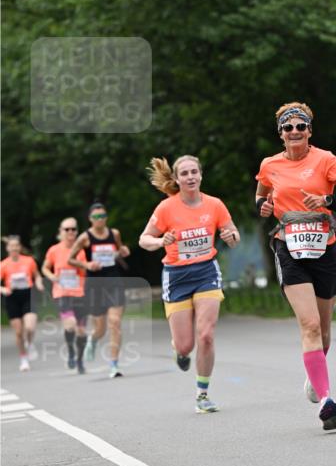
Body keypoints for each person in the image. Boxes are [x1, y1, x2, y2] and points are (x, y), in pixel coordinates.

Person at [255, 101, 336, 431]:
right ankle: (328, 401)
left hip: (325, 249)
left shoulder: (326, 159)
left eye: (301, 126)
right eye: (289, 128)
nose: (295, 132)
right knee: (310, 326)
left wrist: (327, 201)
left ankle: (314, 376)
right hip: (289, 247)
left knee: (324, 333)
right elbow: (260, 196)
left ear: (309, 131)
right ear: (281, 134)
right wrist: (264, 206)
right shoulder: (270, 165)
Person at [139, 155, 240, 414]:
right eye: (184, 173)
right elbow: (144, 240)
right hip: (176, 276)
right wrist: (161, 241)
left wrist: (230, 236)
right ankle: (179, 350)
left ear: (201, 175)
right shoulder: (166, 208)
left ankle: (202, 394)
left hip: (206, 272)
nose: (190, 177)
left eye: (194, 171)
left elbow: (233, 234)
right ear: (176, 179)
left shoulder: (215, 205)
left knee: (206, 335)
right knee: (186, 345)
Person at [67, 203, 130, 379]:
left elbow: (119, 250)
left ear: (106, 217)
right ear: (90, 219)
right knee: (100, 328)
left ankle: (114, 364)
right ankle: (93, 339)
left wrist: (123, 251)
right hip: (94, 284)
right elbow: (70, 259)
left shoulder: (114, 234)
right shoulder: (84, 238)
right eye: (96, 217)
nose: (99, 220)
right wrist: (87, 264)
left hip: (113, 281)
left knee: (115, 322)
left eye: (102, 216)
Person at [41, 218, 88, 373]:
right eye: (66, 229)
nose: (70, 232)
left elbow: (84, 272)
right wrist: (52, 277)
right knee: (70, 324)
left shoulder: (80, 250)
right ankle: (71, 351)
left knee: (81, 331)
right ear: (60, 232)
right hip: (62, 293)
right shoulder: (54, 250)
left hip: (79, 293)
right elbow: (45, 268)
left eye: (73, 229)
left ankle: (79, 360)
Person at [0, 236, 44, 371]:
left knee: (30, 327)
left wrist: (39, 283)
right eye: (11, 246)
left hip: (27, 295)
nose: (14, 248)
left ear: (19, 247)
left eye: (16, 246)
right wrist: (4, 289)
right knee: (19, 332)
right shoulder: (3, 264)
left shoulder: (29, 261)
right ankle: (23, 358)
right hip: (12, 297)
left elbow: (37, 275)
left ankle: (29, 344)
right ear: (7, 248)